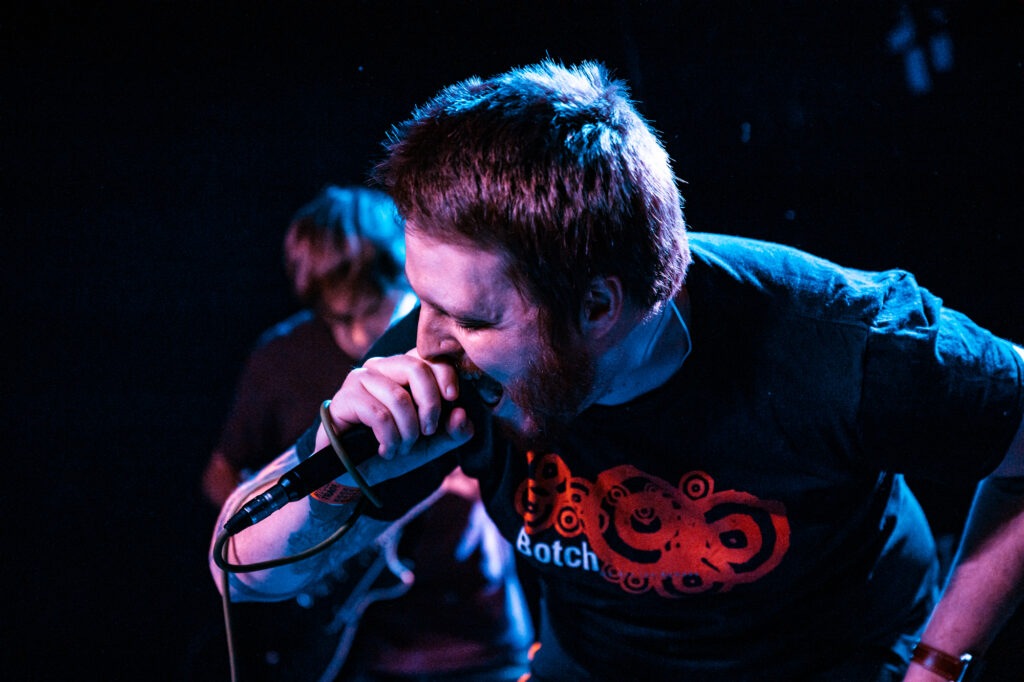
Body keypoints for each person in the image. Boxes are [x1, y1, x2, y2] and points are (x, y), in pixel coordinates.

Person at [210, 61, 1024, 681]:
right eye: (423, 300)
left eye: (473, 318)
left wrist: (940, 664)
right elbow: (238, 571)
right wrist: (342, 464)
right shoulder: (440, 343)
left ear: (599, 307)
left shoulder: (848, 341)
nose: (429, 341)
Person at [203, 185, 533, 681]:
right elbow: (224, 475)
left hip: (474, 629)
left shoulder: (461, 350)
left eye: (374, 307)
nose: (360, 336)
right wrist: (316, 545)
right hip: (363, 640)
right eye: (341, 317)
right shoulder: (281, 359)